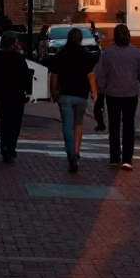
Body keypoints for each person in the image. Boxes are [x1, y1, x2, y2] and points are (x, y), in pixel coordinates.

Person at [95, 24, 140, 170]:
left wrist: (100, 90)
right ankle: (127, 159)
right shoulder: (135, 52)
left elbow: (101, 73)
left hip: (112, 94)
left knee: (114, 126)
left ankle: (114, 157)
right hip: (130, 94)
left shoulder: (108, 52)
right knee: (128, 126)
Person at [49, 27, 98, 173]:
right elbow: (90, 75)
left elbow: (54, 75)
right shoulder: (85, 55)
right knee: (78, 124)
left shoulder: (61, 54)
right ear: (81, 39)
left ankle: (70, 152)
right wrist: (94, 93)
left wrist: (53, 92)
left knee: (67, 125)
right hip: (81, 94)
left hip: (65, 94)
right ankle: (76, 152)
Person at [0, 31, 34, 163]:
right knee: (15, 121)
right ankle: (11, 147)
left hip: (0, 93)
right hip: (16, 93)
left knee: (4, 119)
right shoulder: (18, 58)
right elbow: (26, 76)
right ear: (13, 44)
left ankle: (4, 145)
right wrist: (28, 91)